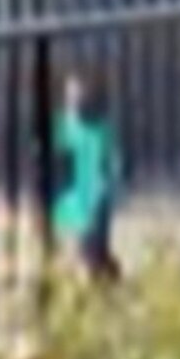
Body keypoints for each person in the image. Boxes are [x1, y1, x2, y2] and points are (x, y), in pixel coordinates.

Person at [51, 68, 122, 282]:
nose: (75, 98)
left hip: (95, 196)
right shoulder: (61, 124)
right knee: (74, 251)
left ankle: (106, 278)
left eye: (79, 93)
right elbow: (55, 155)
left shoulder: (100, 128)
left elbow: (112, 161)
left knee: (94, 251)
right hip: (69, 198)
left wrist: (110, 188)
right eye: (71, 94)